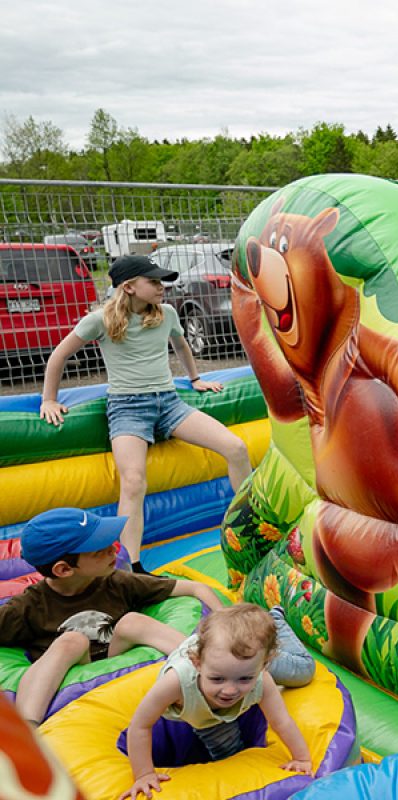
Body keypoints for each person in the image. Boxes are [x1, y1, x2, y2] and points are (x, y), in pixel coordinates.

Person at [38, 256, 253, 573]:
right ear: (128, 287)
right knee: (134, 481)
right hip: (127, 408)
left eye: (162, 281)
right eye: (153, 281)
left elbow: (181, 346)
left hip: (169, 404)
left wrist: (195, 380)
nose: (161, 287)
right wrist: (49, 400)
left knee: (236, 447)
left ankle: (250, 527)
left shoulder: (166, 314)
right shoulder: (99, 320)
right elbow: (58, 356)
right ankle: (131, 567)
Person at [0, 508, 223, 726]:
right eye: (100, 550)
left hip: (115, 657)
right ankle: (28, 728)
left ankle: (213, 669)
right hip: (70, 676)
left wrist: (225, 624)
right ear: (64, 569)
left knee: (132, 621)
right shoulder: (28, 607)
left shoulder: (117, 582)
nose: (114, 551)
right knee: (72, 641)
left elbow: (196, 588)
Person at [121, 604, 313, 800]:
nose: (230, 690)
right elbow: (140, 725)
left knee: (303, 672)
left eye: (245, 679)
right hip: (197, 702)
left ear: (263, 666)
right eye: (217, 679)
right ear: (197, 664)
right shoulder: (176, 682)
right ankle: (145, 630)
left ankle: (275, 621)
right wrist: (144, 774)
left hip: (221, 691)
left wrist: (302, 758)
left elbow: (282, 721)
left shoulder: (261, 679)